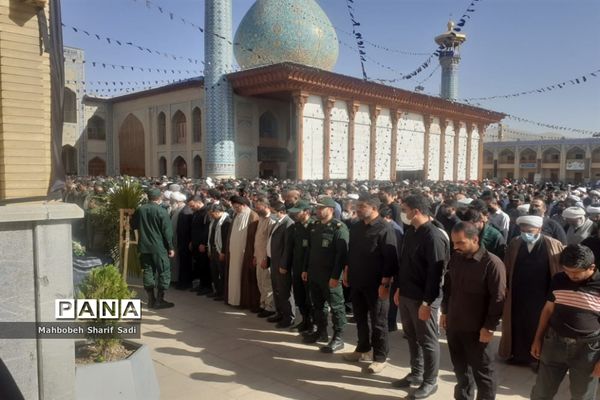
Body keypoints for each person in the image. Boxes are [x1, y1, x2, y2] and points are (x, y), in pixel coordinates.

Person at [393, 194, 450, 399]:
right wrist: (399, 288)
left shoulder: (433, 236)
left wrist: (427, 302)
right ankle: (416, 373)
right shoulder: (411, 231)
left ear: (416, 211)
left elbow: (436, 274)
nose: (402, 214)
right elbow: (404, 264)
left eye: (404, 210)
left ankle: (430, 380)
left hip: (424, 298)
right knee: (411, 337)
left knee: (427, 340)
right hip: (407, 294)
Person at [441, 222, 506, 400]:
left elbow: (498, 299)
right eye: (454, 243)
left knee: (483, 373)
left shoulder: (492, 263)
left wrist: (489, 327)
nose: (456, 247)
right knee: (461, 370)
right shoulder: (456, 258)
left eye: (460, 243)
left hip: (478, 330)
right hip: (455, 325)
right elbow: (448, 287)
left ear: (475, 239)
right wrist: (445, 312)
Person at [530, 245, 600, 400]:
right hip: (554, 344)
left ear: (591, 267)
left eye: (575, 273)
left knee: (582, 396)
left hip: (587, 349)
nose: (570, 276)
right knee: (541, 393)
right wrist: (537, 338)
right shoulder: (559, 279)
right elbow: (548, 310)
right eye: (567, 271)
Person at [499, 215, 564, 365]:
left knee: (538, 326)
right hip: (518, 294)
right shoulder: (515, 243)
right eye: (522, 231)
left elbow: (558, 270)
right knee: (517, 324)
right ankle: (518, 356)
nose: (525, 234)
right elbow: (507, 267)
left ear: (539, 229)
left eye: (529, 231)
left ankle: (537, 359)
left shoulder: (553, 244)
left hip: (542, 295)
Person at [343, 195, 398, 374]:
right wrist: (347, 270)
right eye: (357, 206)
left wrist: (385, 283)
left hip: (376, 284)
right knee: (360, 318)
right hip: (357, 280)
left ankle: (380, 358)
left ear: (374, 208)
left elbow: (391, 259)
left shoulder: (385, 228)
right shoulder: (356, 227)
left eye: (362, 206)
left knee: (378, 322)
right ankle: (363, 349)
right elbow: (351, 251)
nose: (357, 209)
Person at [302, 197, 349, 354]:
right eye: (317, 208)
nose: (317, 210)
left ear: (331, 209)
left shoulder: (339, 228)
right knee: (318, 305)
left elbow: (341, 256)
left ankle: (338, 337)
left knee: (336, 307)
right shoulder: (315, 226)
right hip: (315, 273)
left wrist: (335, 276)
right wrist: (305, 269)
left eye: (321, 208)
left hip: (330, 276)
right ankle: (321, 332)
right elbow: (309, 250)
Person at [131, 188, 176, 309]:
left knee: (148, 271)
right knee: (164, 272)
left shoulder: (140, 210)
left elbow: (133, 225)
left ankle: (151, 300)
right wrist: (171, 247)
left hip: (144, 247)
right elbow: (167, 232)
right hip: (159, 247)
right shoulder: (162, 211)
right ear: (159, 198)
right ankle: (160, 300)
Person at [284, 200, 316, 333]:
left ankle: (314, 324)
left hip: (310, 268)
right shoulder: (295, 227)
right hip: (297, 266)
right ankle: (305, 320)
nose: (295, 215)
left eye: (298, 212)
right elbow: (290, 247)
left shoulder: (314, 226)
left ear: (306, 212)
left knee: (311, 298)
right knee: (300, 296)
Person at [226, 195, 260, 309]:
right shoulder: (236, 215)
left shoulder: (253, 216)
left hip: (246, 253)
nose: (236, 209)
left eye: (237, 207)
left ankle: (244, 302)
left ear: (244, 205)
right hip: (234, 252)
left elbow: (254, 237)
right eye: (234, 207)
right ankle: (233, 299)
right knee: (234, 276)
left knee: (245, 277)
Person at [268, 201, 295, 328]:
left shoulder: (288, 224)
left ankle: (289, 317)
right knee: (276, 290)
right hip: (274, 262)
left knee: (284, 291)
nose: (272, 214)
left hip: (281, 265)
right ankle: (279, 313)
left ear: (282, 212)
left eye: (273, 212)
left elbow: (288, 248)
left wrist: (284, 265)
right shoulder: (277, 222)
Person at [253, 196, 276, 317]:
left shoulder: (271, 221)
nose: (256, 209)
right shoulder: (261, 219)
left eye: (258, 207)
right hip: (258, 256)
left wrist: (265, 259)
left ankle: (270, 307)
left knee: (267, 284)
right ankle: (263, 304)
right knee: (260, 282)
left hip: (265, 259)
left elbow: (269, 242)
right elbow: (258, 239)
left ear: (266, 206)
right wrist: (255, 256)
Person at [207, 203, 231, 301]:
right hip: (213, 249)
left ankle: (223, 293)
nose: (210, 215)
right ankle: (217, 291)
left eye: (212, 213)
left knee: (222, 273)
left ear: (217, 212)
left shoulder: (226, 221)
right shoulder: (214, 221)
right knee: (214, 272)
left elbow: (225, 239)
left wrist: (223, 252)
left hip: (220, 251)